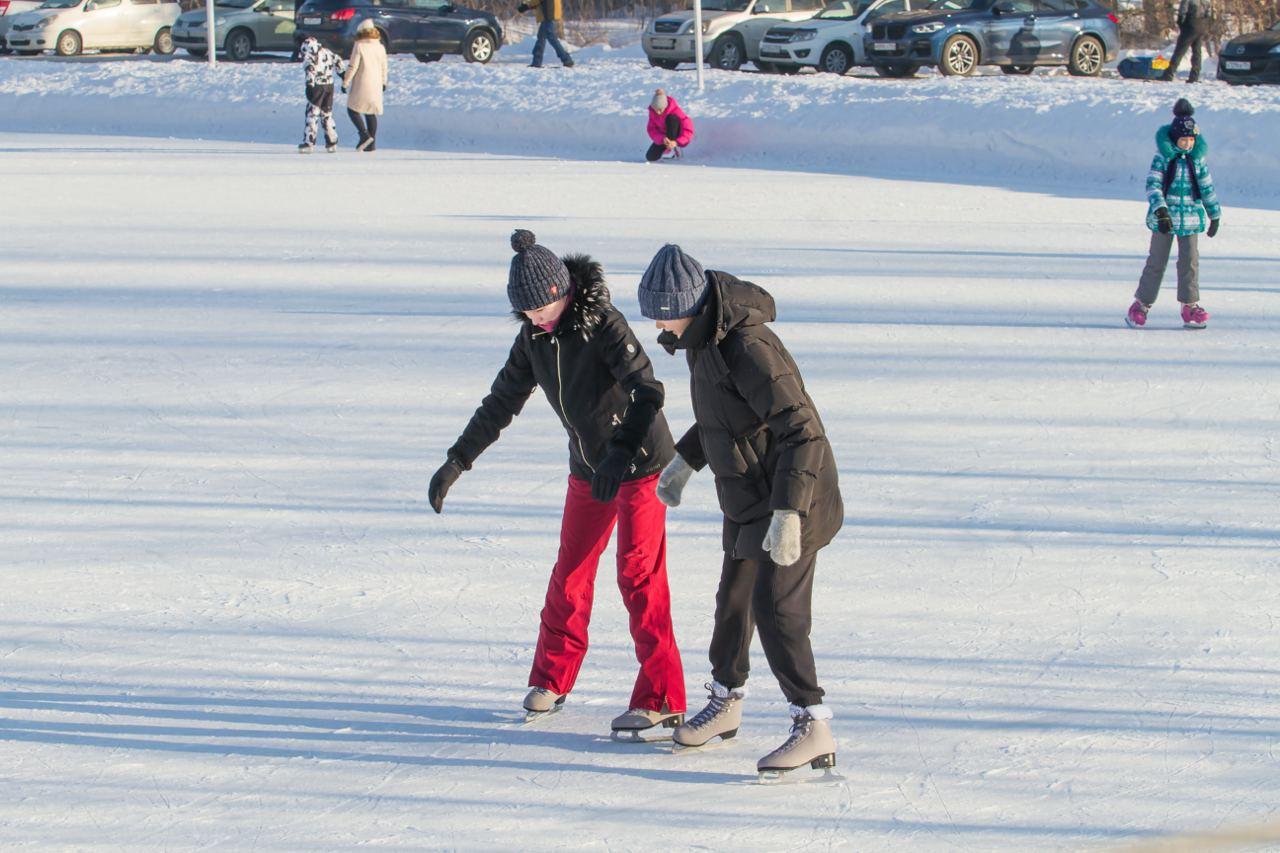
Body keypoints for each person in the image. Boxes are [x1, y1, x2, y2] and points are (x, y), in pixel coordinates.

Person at [427, 230, 687, 738]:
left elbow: (648, 392)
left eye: (539, 311)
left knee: (637, 575)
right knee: (570, 572)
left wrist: (619, 452)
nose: (533, 320)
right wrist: (457, 460)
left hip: (640, 464)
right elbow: (501, 401)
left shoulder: (604, 326)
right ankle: (552, 678)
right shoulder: (534, 339)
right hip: (589, 468)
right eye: (524, 314)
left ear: (561, 293)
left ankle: (662, 696)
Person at [635, 244, 844, 778]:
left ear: (689, 302)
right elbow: (723, 419)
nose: (657, 322)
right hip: (750, 496)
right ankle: (726, 703)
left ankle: (812, 723)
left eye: (662, 309)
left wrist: (789, 514)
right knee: (733, 604)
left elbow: (804, 432)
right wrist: (685, 462)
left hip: (794, 499)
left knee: (778, 612)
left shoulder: (747, 346)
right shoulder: (702, 341)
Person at [1126, 98, 1221, 330]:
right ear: (1174, 138)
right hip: (1164, 222)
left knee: (1190, 262)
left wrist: (1214, 214)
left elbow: (1207, 188)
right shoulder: (1163, 158)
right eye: (1184, 139)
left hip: (1189, 220)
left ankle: (1190, 305)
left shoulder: (1197, 161)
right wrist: (1161, 211)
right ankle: (1140, 305)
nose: (1188, 144)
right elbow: (1153, 185)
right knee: (1156, 262)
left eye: (1191, 139)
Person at [342, 19, 387, 152]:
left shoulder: (359, 45)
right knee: (370, 112)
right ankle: (371, 143)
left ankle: (364, 135)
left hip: (362, 82)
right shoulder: (380, 47)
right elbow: (384, 67)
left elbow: (353, 66)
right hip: (376, 84)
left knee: (352, 109)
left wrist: (346, 82)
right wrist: (384, 82)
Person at [297, 35, 343, 154]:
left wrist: (309, 86)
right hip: (329, 86)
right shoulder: (327, 52)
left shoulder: (310, 56)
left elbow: (310, 70)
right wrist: (342, 74)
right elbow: (338, 60)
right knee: (327, 114)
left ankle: (309, 142)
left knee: (312, 114)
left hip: (317, 86)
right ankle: (332, 141)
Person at [1161, 0, 1215, 83]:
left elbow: (1182, 12)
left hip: (1190, 25)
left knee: (1179, 51)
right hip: (1201, 26)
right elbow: (1209, 13)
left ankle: (1168, 74)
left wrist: (1181, 24)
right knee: (1197, 52)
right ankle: (1194, 76)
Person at [516, 0, 574, 68]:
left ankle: (567, 60)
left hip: (548, 15)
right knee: (541, 38)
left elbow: (536, 1)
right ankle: (536, 62)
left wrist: (525, 5)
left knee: (552, 38)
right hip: (549, 14)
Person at [645, 88, 694, 163]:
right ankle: (666, 150)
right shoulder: (652, 113)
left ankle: (673, 149)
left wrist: (677, 142)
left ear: (665, 106)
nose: (658, 112)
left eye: (660, 109)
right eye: (655, 109)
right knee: (650, 157)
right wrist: (662, 138)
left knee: (672, 118)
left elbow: (688, 129)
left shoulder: (675, 111)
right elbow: (651, 130)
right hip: (664, 139)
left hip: (675, 137)